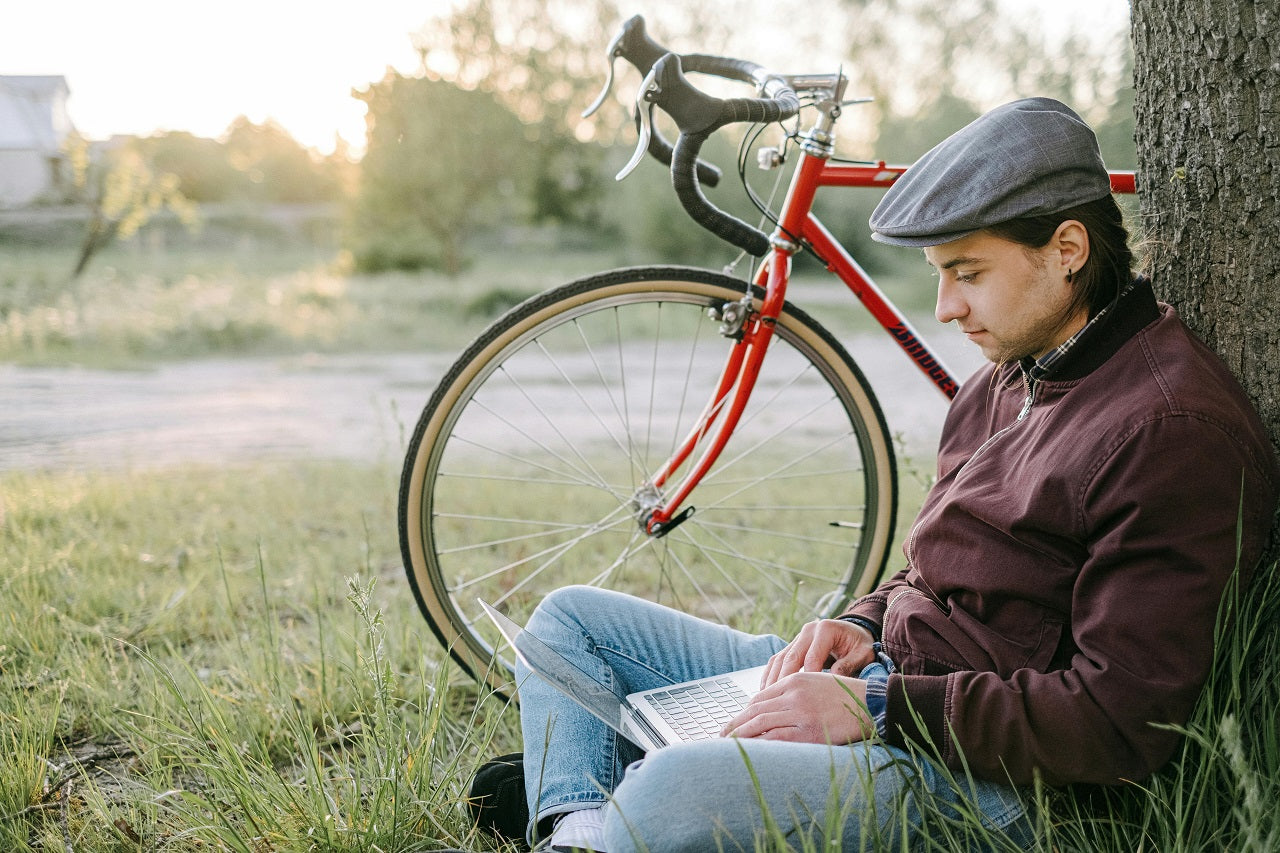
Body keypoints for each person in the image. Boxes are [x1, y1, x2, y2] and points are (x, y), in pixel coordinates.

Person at [483, 98, 1279, 852]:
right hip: (891, 680)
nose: (945, 307)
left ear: (1067, 250)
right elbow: (932, 569)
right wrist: (861, 626)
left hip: (984, 775)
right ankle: (586, 826)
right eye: (939, 274)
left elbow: (1115, 721)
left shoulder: (1169, 430)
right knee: (568, 626)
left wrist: (873, 707)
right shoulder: (1008, 373)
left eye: (968, 273)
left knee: (670, 791)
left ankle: (625, 799)